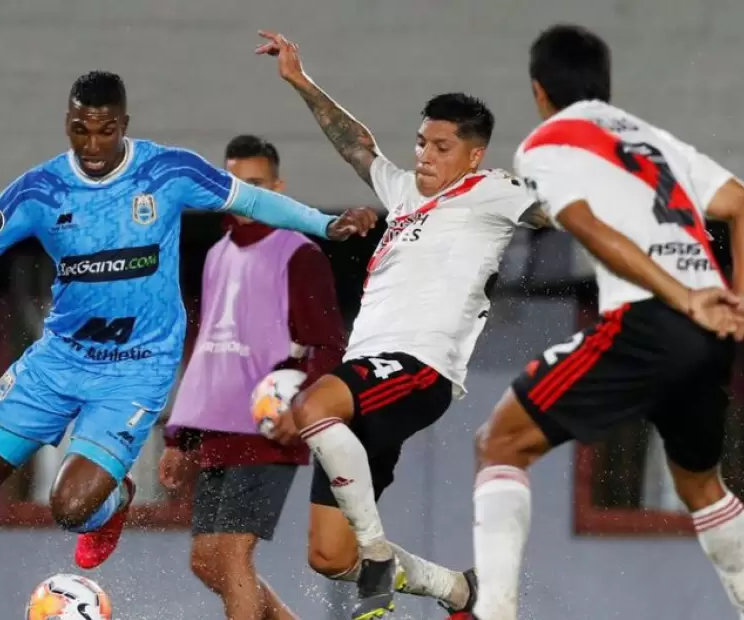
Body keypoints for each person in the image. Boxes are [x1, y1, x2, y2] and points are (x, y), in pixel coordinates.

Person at [0, 70, 376, 620]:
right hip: (59, 360)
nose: (91, 144)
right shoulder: (41, 189)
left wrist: (326, 225)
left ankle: (113, 503)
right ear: (67, 123)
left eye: (105, 130)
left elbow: (252, 199)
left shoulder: (166, 172)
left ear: (124, 125)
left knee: (71, 508)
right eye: (80, 129)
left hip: (136, 369)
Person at [255, 32, 551, 620]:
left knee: (313, 408)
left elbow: (556, 213)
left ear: (473, 156)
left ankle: (377, 557)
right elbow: (356, 146)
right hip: (367, 373)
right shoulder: (404, 191)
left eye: (441, 147)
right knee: (327, 555)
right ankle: (460, 591)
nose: (424, 156)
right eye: (420, 143)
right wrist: (299, 80)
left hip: (418, 368)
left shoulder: (493, 191)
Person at [469, 24, 744, 620]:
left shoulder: (546, 143)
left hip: (651, 320)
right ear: (605, 85)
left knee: (500, 443)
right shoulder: (653, 138)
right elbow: (739, 203)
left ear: (539, 90)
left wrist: (682, 296)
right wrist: (735, 299)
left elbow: (588, 227)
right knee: (701, 487)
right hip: (712, 332)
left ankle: (494, 612)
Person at [159, 134, 347, 620]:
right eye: (236, 185)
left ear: (278, 188)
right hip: (217, 428)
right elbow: (209, 350)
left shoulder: (300, 254)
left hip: (268, 428)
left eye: (257, 185)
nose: (246, 196)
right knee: (206, 562)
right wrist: (180, 438)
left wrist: (301, 412)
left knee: (231, 556)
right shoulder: (217, 253)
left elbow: (329, 346)